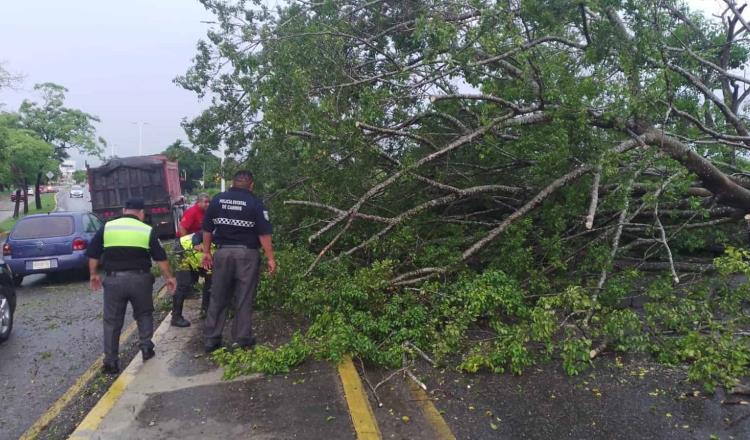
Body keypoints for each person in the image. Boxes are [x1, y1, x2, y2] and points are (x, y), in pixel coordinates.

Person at [87, 197, 177, 374]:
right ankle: (145, 347)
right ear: (141, 213)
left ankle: (111, 361)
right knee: (144, 313)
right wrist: (169, 278)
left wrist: (93, 274)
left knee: (112, 321)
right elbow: (161, 258)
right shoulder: (146, 230)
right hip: (140, 279)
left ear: (124, 211)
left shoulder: (107, 227)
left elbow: (93, 253)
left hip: (114, 281)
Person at [201, 170, 276, 353]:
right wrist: (270, 258)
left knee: (218, 296)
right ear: (251, 185)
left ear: (232, 183)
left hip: (222, 254)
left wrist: (206, 253)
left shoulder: (217, 199)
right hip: (246, 255)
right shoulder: (256, 203)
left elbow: (207, 229)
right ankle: (242, 339)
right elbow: (263, 234)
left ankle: (212, 339)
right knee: (244, 297)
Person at [171, 232, 215, 327]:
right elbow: (198, 235)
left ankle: (205, 311)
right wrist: (196, 244)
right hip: (183, 249)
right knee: (184, 284)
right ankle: (176, 317)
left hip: (200, 257)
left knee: (210, 281)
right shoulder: (217, 231)